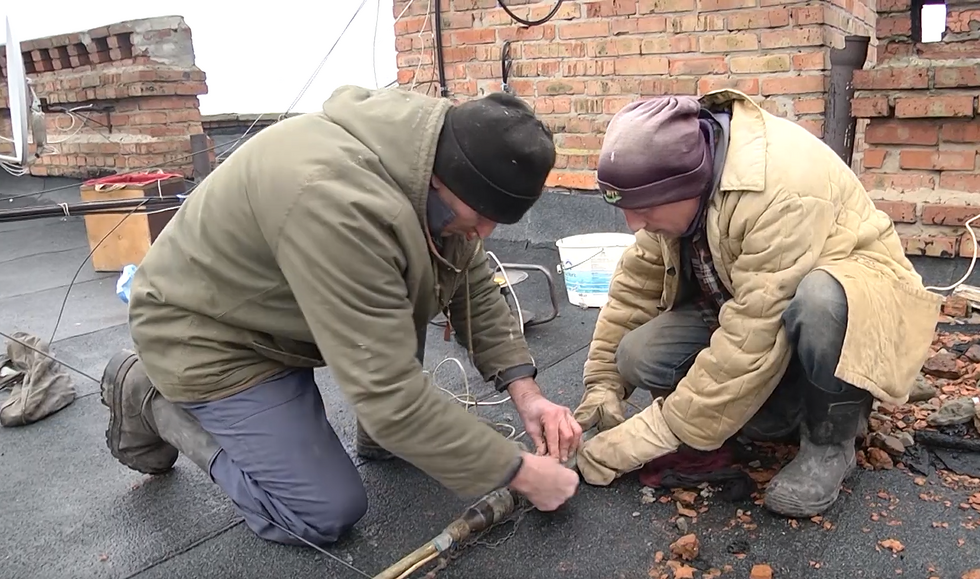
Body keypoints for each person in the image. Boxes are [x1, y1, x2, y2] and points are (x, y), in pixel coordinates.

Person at [100, 85, 582, 547]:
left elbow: (466, 275)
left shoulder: (432, 154)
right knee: (322, 511)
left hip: (282, 310)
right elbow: (390, 399)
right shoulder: (337, 203)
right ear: (443, 176)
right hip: (207, 333)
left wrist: (527, 392)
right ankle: (149, 396)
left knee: (416, 271)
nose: (486, 230)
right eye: (481, 213)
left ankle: (383, 439)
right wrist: (519, 472)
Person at [571, 89, 942, 518]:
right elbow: (633, 290)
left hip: (855, 305)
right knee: (637, 354)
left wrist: (654, 432)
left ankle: (831, 440)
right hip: (760, 302)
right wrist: (602, 384)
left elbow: (754, 329)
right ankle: (766, 416)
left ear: (689, 184)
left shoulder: (780, 187)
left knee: (820, 301)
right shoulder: (680, 183)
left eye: (644, 208)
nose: (634, 223)